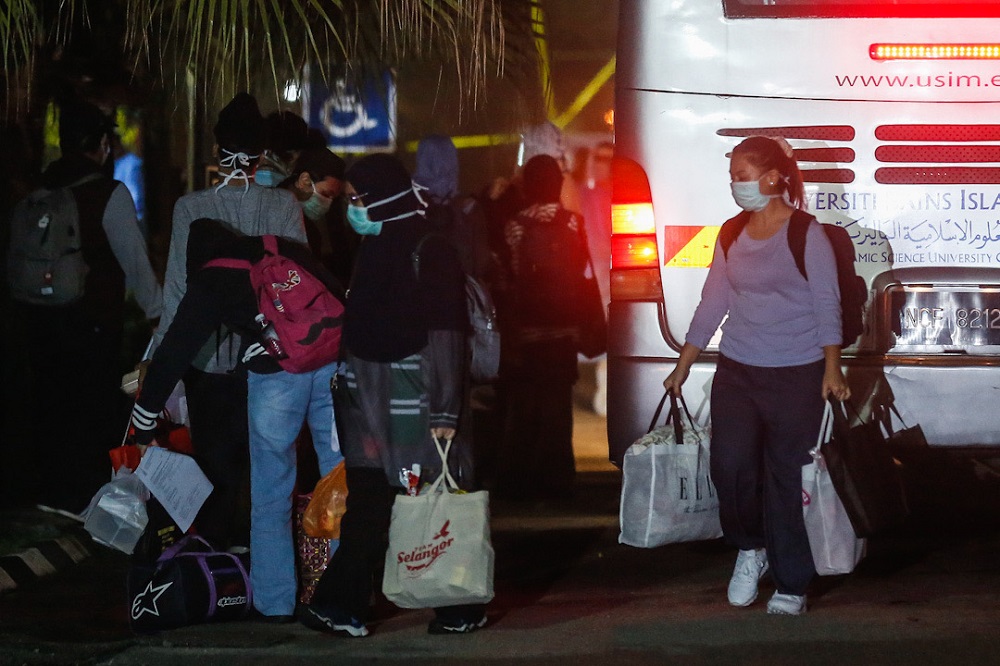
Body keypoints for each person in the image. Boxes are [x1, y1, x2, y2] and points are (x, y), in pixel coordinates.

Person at [661, 135, 851, 616]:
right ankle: (751, 547)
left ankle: (792, 583)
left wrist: (832, 367)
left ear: (772, 178)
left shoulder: (806, 232)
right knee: (731, 467)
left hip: (797, 372)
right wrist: (683, 365)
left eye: (741, 178)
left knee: (788, 479)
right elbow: (713, 303)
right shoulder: (730, 233)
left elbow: (827, 302)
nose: (735, 187)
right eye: (732, 179)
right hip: (739, 371)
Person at [303, 154, 487, 637]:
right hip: (368, 401)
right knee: (373, 499)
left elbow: (448, 329)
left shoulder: (430, 249)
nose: (354, 209)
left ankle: (456, 604)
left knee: (435, 495)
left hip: (417, 396)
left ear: (384, 199)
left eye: (359, 199)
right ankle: (343, 604)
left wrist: (446, 409)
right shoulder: (378, 246)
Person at [131, 218, 344, 622]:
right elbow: (336, 293)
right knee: (337, 481)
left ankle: (275, 601)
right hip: (331, 365)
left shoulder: (212, 278)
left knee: (271, 490)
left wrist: (143, 422)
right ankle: (341, 596)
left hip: (277, 377)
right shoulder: (278, 247)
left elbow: (174, 352)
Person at [148, 92, 306, 551]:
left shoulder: (190, 207)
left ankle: (218, 566)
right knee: (268, 464)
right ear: (261, 155)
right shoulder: (283, 206)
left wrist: (162, 365)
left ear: (218, 151)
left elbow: (177, 292)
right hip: (269, 358)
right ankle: (270, 565)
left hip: (207, 357)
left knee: (215, 465)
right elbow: (296, 286)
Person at [10, 100, 162, 512]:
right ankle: (82, 496)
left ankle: (50, 492)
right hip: (91, 319)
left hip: (39, 316)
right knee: (90, 407)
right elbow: (134, 260)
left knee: (51, 401)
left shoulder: (41, 190)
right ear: (100, 144)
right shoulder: (107, 193)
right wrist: (157, 315)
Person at [495, 154, 588, 501]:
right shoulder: (573, 223)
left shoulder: (515, 224)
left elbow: (510, 274)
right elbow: (581, 272)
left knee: (524, 408)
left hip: (527, 332)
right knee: (558, 409)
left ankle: (519, 483)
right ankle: (559, 482)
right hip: (564, 332)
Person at [579, 141, 613, 416]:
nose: (603, 164)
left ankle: (604, 397)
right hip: (591, 278)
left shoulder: (615, 196)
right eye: (599, 158)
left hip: (608, 277)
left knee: (609, 337)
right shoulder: (583, 195)